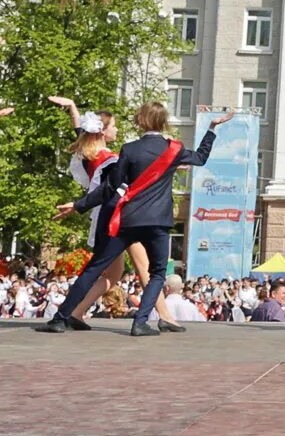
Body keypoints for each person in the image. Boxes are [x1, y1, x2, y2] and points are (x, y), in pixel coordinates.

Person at [42, 102, 232, 335]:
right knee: (156, 273)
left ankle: (61, 318)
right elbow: (201, 158)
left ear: (140, 121)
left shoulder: (129, 149)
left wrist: (79, 205)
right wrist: (212, 128)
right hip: (158, 221)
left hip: (126, 220)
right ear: (163, 122)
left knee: (95, 268)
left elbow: (110, 187)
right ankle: (141, 322)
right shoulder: (174, 148)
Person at [47, 97, 152, 326]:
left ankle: (76, 313)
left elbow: (79, 131)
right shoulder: (108, 158)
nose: (116, 129)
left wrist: (73, 107)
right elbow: (129, 178)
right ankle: (159, 318)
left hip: (105, 215)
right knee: (141, 270)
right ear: (102, 132)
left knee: (114, 273)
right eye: (113, 126)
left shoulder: (89, 153)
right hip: (117, 217)